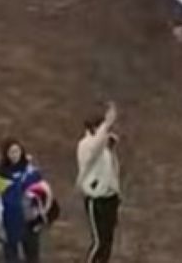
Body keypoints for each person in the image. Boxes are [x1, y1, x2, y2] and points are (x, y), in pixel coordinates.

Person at [77, 104, 121, 263]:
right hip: (96, 200)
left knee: (108, 240)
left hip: (110, 198)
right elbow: (95, 149)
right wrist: (107, 124)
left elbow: (112, 170)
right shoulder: (85, 145)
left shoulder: (106, 148)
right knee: (99, 242)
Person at [0, 139, 52, 263]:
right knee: (11, 255)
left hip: (30, 219)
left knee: (32, 254)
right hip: (10, 220)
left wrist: (41, 212)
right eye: (11, 152)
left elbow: (42, 192)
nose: (15, 155)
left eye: (17, 151)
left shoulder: (31, 171)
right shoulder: (0, 173)